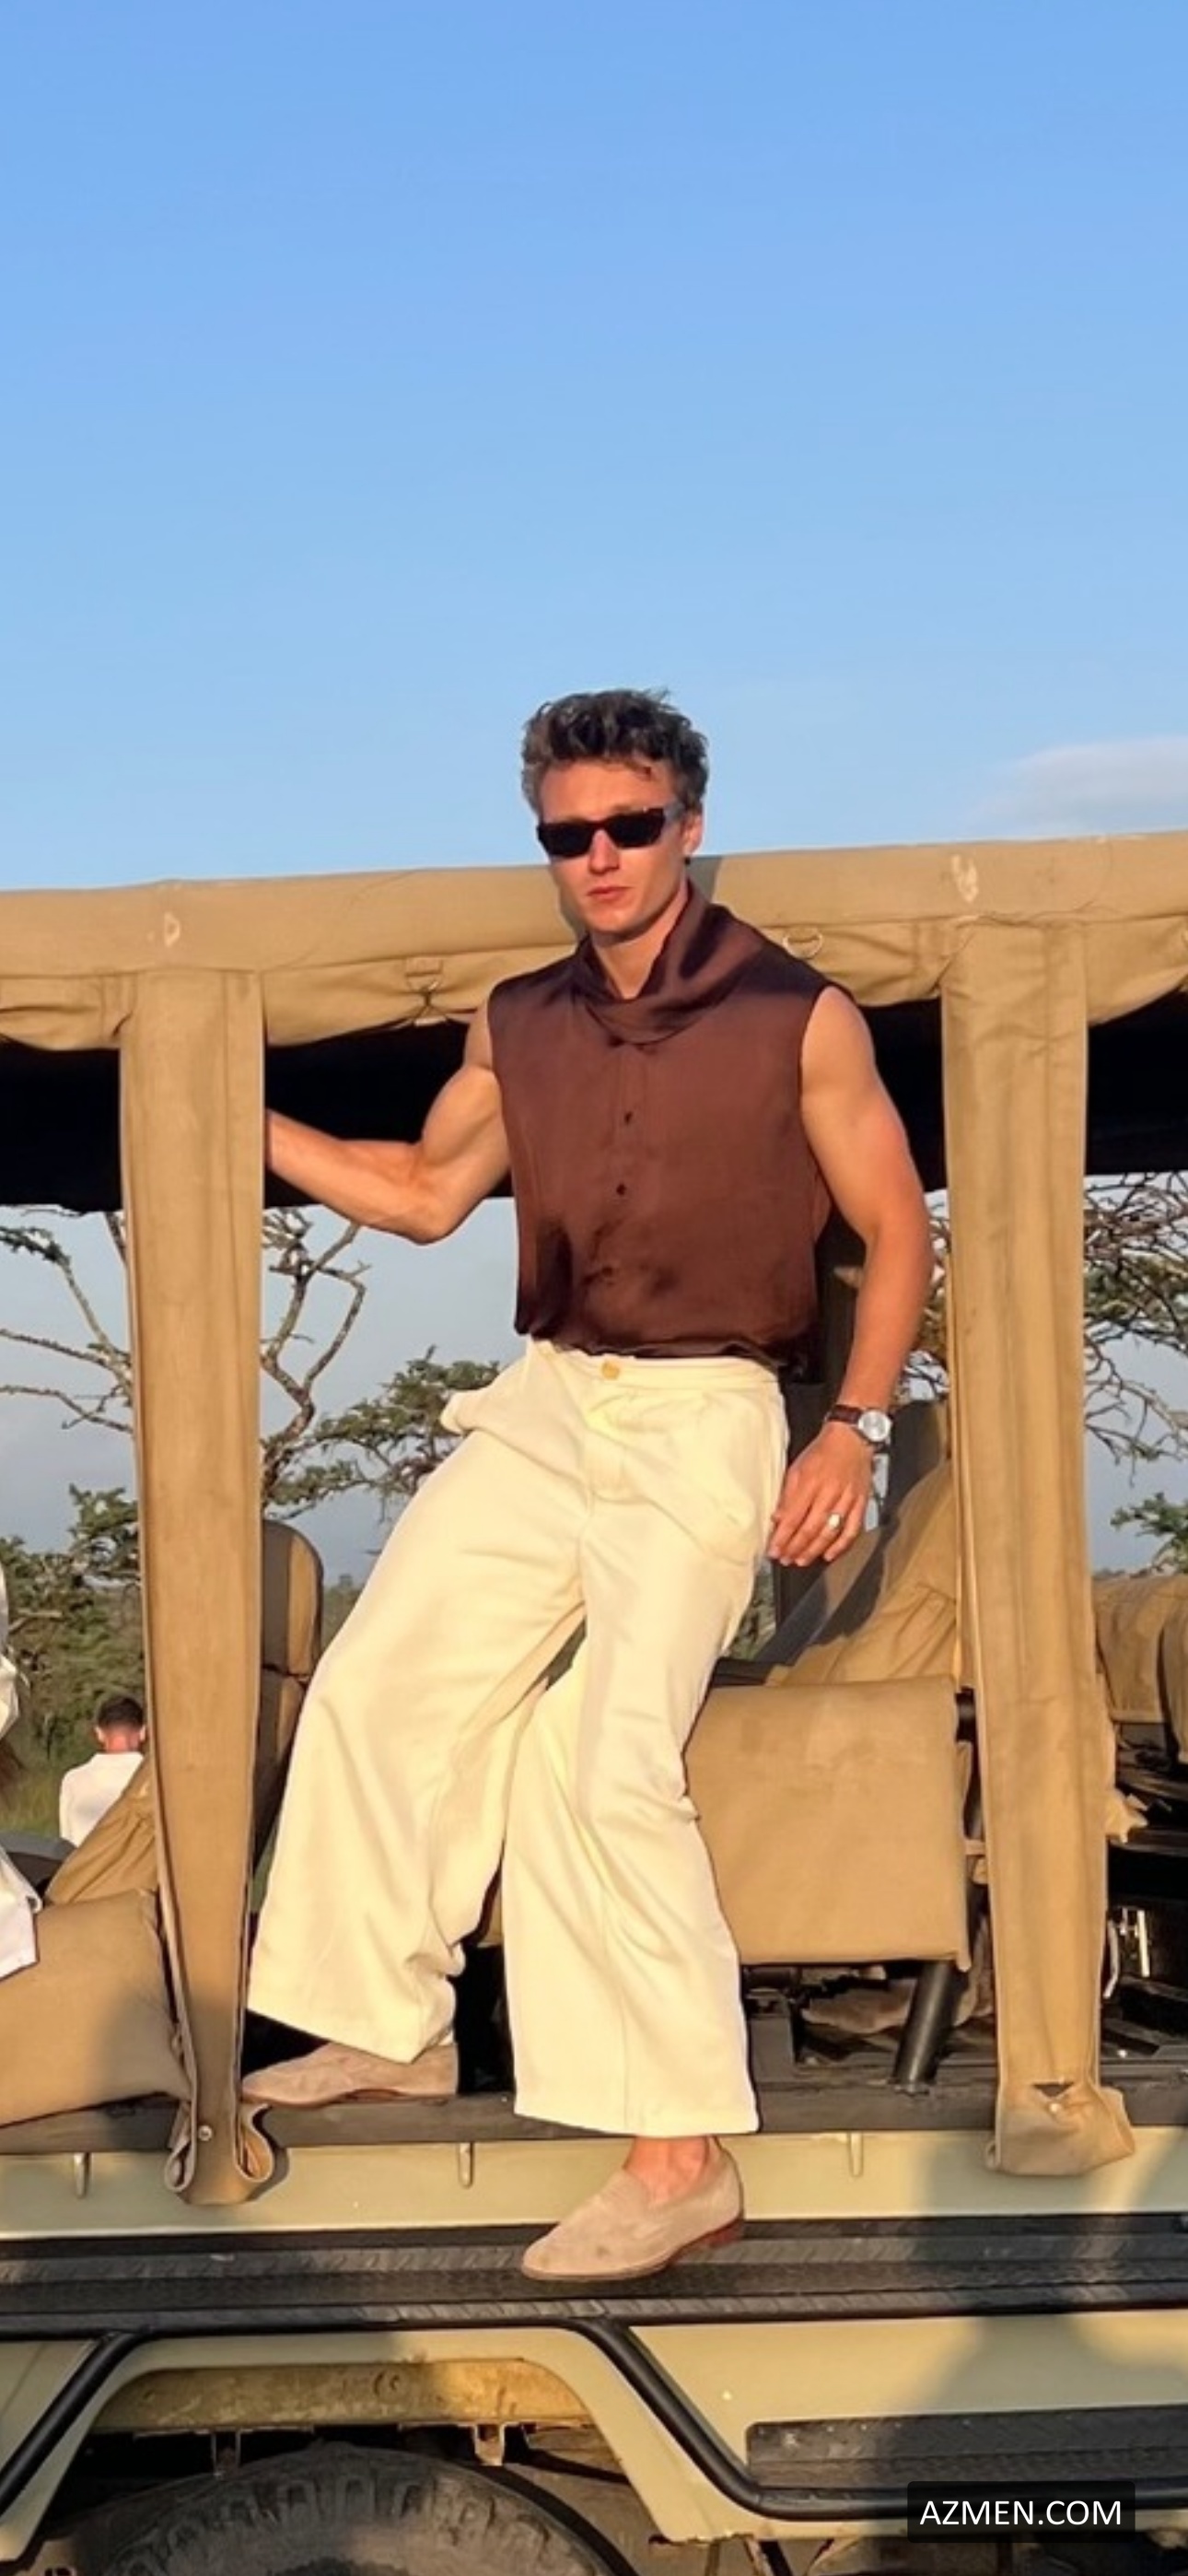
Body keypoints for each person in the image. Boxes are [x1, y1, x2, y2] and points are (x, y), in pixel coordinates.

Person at [246, 687, 933, 2281]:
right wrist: (217, 1109)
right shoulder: (517, 1021)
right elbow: (425, 1194)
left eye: (631, 825)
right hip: (556, 1396)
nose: (602, 857)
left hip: (706, 1408)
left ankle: (680, 2160)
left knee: (604, 1761)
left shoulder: (798, 1016)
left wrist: (852, 1424)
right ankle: (386, 2023)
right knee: (381, 1681)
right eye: (570, 834)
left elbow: (896, 1227)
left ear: (689, 825)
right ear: (545, 842)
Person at [58, 1692, 146, 1846]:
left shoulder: (74, 1780)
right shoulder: (153, 1780)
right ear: (143, 1732)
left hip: (87, 1862)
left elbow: (66, 1843)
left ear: (99, 1733)